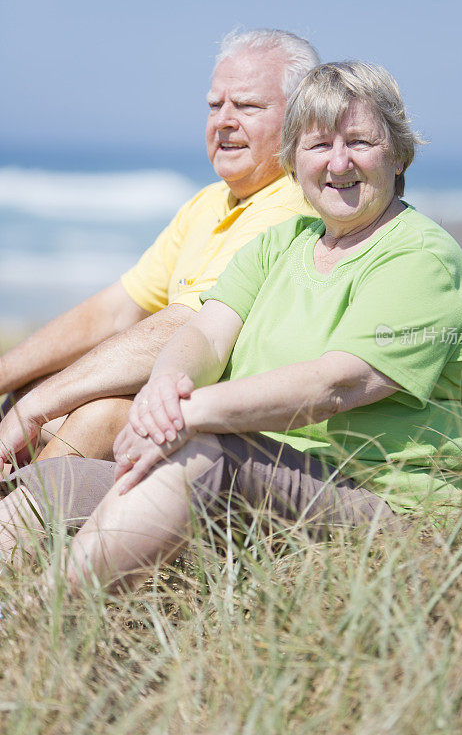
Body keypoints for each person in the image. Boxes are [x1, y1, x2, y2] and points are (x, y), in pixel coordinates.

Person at [0, 61, 462, 592]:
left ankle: (38, 622)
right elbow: (203, 334)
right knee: (59, 483)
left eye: (360, 142)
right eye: (319, 145)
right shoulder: (282, 243)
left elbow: (335, 384)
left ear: (396, 153)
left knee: (205, 449)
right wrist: (163, 390)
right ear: (294, 162)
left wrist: (187, 416)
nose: (339, 162)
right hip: (270, 476)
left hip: (386, 507)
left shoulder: (420, 256)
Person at [0, 29, 319, 468]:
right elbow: (115, 310)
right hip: (183, 413)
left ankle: (23, 534)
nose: (223, 120)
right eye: (214, 105)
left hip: (256, 441)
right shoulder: (208, 202)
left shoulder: (294, 203)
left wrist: (38, 405)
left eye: (246, 106)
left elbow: (185, 326)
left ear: (301, 119)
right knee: (27, 388)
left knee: (97, 415)